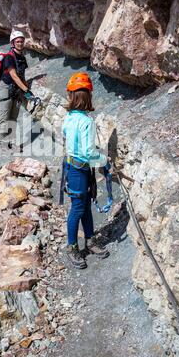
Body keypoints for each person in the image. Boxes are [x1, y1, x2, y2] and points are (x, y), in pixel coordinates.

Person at [62, 72, 110, 269]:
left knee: (83, 205)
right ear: (87, 96)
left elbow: (68, 139)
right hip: (80, 169)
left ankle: (89, 240)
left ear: (72, 96)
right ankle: (72, 246)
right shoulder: (87, 122)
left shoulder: (68, 118)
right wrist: (105, 160)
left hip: (72, 166)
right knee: (78, 208)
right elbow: (89, 152)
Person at [0, 30, 34, 151]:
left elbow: (22, 76)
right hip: (6, 88)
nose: (20, 43)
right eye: (18, 41)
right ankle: (4, 144)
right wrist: (26, 90)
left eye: (22, 41)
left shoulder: (22, 58)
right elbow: (14, 75)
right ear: (13, 43)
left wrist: (27, 91)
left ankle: (12, 143)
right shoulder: (9, 57)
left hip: (17, 90)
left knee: (13, 117)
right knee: (5, 117)